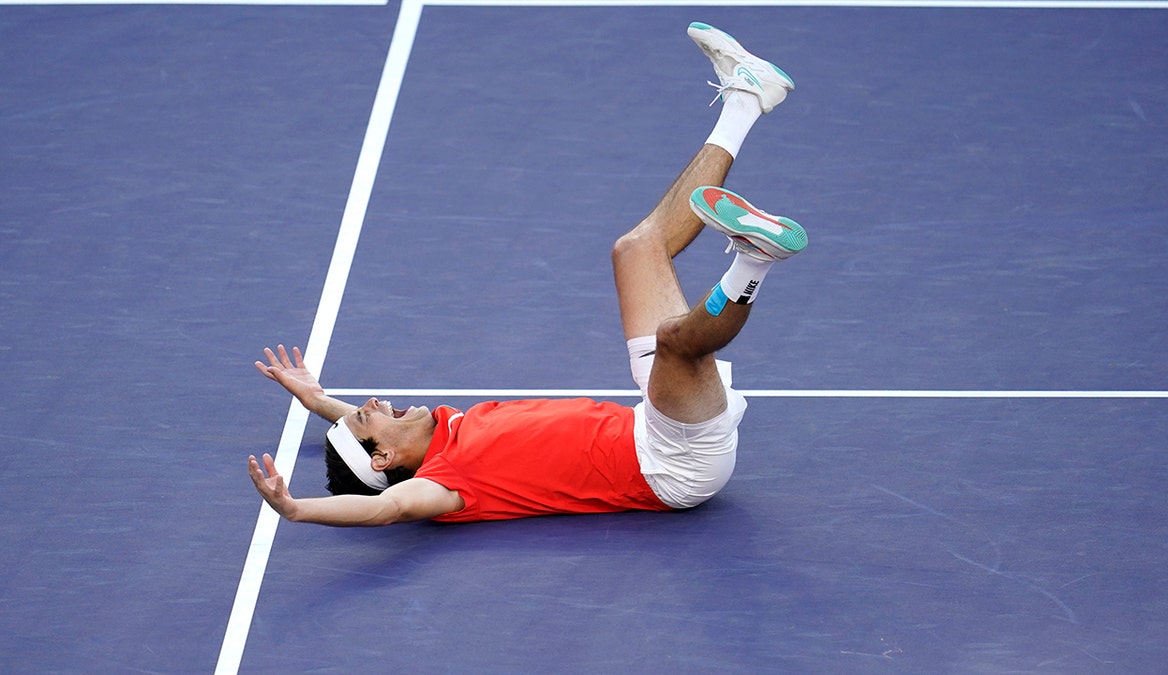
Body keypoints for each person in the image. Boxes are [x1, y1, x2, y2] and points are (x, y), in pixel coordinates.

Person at [248, 22, 808, 526]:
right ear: (385, 459)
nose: (368, 404)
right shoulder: (444, 484)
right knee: (673, 343)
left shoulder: (434, 433)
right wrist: (297, 510)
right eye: (367, 422)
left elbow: (358, 426)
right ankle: (755, 259)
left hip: (650, 421)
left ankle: (746, 97)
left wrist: (317, 398)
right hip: (673, 464)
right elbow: (388, 506)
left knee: (636, 248)